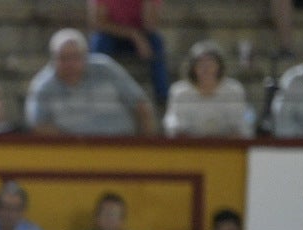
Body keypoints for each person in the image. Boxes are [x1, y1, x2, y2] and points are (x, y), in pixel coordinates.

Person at [26, 28, 155, 136]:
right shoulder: (43, 86)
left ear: (85, 56)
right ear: (53, 59)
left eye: (75, 57)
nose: (69, 64)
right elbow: (38, 126)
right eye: (63, 58)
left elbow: (141, 106)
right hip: (73, 155)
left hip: (122, 147)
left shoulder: (106, 69)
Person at [164, 40, 252, 137]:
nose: (206, 68)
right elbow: (173, 127)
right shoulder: (179, 92)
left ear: (219, 66)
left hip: (227, 149)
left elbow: (243, 126)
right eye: (200, 63)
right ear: (192, 68)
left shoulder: (234, 90)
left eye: (211, 63)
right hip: (189, 149)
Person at [89, 0, 168, 107]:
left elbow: (151, 26)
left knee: (156, 42)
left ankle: (163, 97)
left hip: (142, 36)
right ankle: (96, 91)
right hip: (112, 35)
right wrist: (133, 35)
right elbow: (99, 23)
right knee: (99, 42)